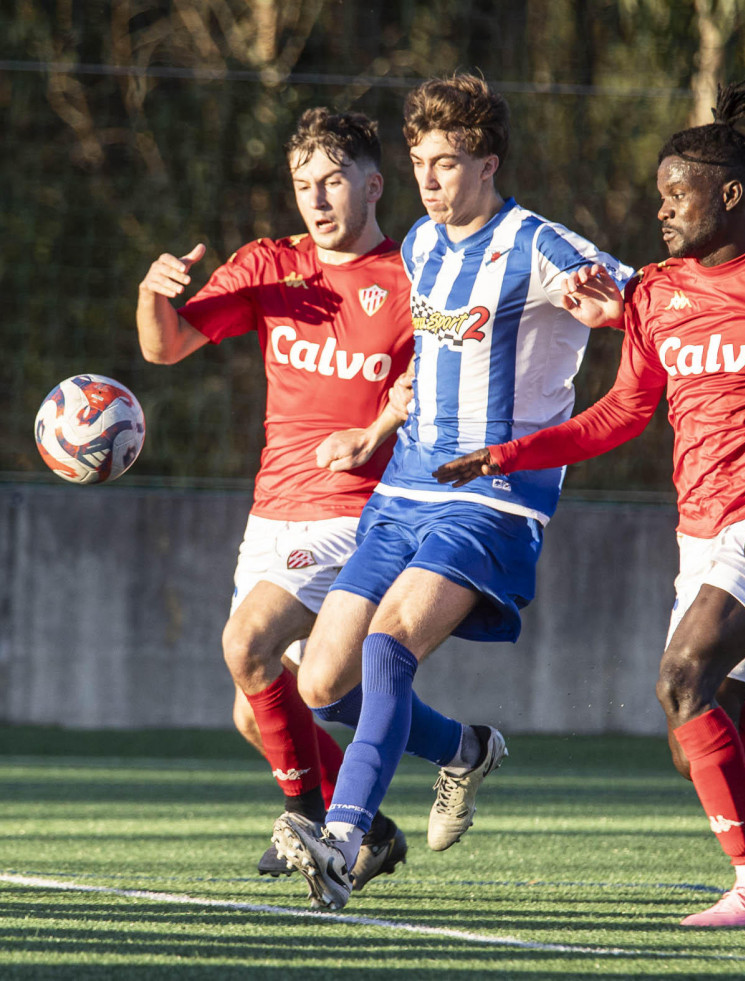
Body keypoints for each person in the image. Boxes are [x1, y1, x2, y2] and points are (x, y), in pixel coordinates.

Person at [433, 79, 745, 928]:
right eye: (657, 195)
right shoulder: (655, 295)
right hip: (699, 538)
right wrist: (510, 454)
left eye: (675, 194)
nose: (659, 210)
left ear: (728, 195)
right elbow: (621, 412)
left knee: (679, 677)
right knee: (697, 733)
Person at [269, 72, 635, 911]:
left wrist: (611, 314)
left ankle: (344, 836)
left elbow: (639, 298)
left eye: (445, 162)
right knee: (322, 681)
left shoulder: (540, 245)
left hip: (493, 500)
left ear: (488, 163)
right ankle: (463, 748)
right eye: (419, 161)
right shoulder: (420, 246)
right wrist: (376, 431)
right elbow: (431, 363)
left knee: (390, 644)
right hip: (403, 490)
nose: (428, 179)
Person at [135, 108, 416, 893]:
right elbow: (166, 346)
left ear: (372, 184)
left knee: (245, 641)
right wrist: (154, 293)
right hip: (271, 512)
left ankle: (311, 829)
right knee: (251, 709)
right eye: (303, 185)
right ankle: (378, 830)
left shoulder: (410, 276)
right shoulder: (268, 265)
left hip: (350, 510)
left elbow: (446, 376)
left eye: (333, 181)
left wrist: (385, 423)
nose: (317, 200)